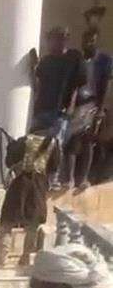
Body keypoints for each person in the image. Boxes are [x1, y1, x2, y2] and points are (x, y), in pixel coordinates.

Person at [31, 26, 86, 187]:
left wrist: (70, 106)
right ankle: (38, 179)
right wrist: (33, 68)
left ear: (65, 40)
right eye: (52, 39)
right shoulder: (46, 61)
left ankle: (52, 180)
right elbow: (38, 85)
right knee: (37, 144)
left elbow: (77, 84)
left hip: (61, 110)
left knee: (56, 145)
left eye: (59, 38)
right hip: (42, 108)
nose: (55, 42)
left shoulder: (74, 57)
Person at [0, 134, 59, 267]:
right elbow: (54, 167)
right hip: (39, 185)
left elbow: (9, 162)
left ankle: (2, 258)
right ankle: (25, 258)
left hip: (20, 183)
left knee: (7, 221)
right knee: (33, 224)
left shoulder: (23, 141)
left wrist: (11, 146)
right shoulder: (53, 143)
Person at [66, 28, 112, 190]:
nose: (88, 43)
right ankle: (69, 179)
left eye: (92, 40)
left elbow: (105, 85)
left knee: (88, 140)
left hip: (92, 104)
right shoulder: (78, 60)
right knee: (71, 142)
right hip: (76, 105)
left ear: (97, 41)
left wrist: (100, 109)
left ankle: (83, 179)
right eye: (86, 40)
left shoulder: (104, 60)